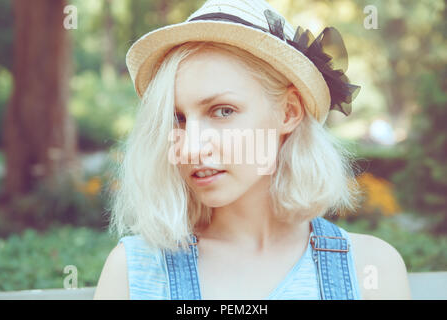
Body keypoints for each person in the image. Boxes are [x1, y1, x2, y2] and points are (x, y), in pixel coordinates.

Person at [94, 0, 411, 300]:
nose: (190, 147)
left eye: (222, 111)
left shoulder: (373, 269)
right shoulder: (134, 272)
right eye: (177, 119)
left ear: (288, 112)